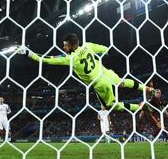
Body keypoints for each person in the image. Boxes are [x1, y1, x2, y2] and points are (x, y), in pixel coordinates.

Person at [17, 33, 155, 113]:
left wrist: (29, 53)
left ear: (72, 45)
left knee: (111, 105)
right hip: (105, 72)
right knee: (122, 82)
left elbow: (46, 60)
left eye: (66, 45)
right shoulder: (87, 45)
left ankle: (139, 107)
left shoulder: (70, 59)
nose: (63, 47)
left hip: (99, 83)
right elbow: (105, 49)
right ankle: (148, 89)